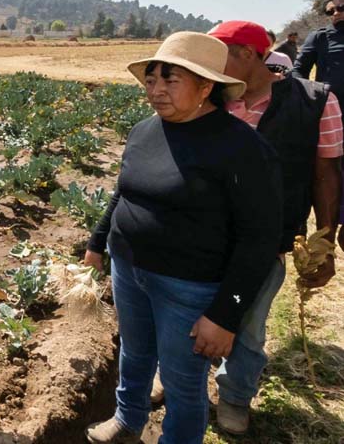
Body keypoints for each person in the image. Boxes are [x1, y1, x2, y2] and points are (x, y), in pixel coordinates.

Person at [84, 32, 282, 444]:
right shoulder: (144, 131)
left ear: (206, 86)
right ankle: (128, 419)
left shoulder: (241, 147)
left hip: (188, 287)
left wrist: (225, 314)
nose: (155, 90)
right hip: (129, 270)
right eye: (151, 80)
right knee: (134, 355)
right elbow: (124, 191)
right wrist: (98, 242)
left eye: (170, 80)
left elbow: (258, 239)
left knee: (181, 382)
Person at [206, 20, 342, 434]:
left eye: (218, 55)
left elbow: (326, 173)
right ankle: (181, 380)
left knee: (247, 321)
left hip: (267, 239)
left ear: (248, 54)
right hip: (201, 232)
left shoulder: (315, 101)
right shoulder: (208, 95)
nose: (207, 67)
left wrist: (324, 240)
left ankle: (234, 395)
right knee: (188, 309)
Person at [293, 0, 344, 249]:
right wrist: (308, 102)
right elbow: (299, 71)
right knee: (328, 177)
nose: (335, 13)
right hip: (331, 123)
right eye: (330, 11)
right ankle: (324, 244)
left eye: (341, 8)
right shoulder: (321, 38)